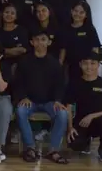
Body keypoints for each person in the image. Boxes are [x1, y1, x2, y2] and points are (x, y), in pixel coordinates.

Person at [13, 30, 69, 164]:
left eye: (43, 39)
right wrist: (23, 97)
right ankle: (30, 148)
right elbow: (17, 83)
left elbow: (60, 85)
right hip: (29, 101)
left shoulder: (55, 63)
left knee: (62, 114)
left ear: (49, 42)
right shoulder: (24, 61)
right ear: (32, 42)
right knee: (20, 111)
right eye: (37, 39)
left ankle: (53, 150)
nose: (40, 42)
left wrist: (57, 100)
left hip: (50, 102)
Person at [65, 52, 102, 163]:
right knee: (75, 144)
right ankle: (86, 142)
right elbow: (68, 107)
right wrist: (70, 128)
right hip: (81, 122)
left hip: (99, 121)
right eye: (85, 63)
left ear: (98, 65)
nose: (89, 67)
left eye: (92, 63)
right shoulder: (74, 83)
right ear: (80, 64)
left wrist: (92, 116)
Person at [61, 1, 101, 85]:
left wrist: (93, 66)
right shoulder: (65, 28)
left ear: (86, 15)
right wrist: (60, 64)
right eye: (75, 11)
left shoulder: (90, 29)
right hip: (71, 66)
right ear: (71, 11)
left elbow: (95, 48)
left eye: (81, 12)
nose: (77, 14)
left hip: (86, 66)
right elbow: (63, 49)